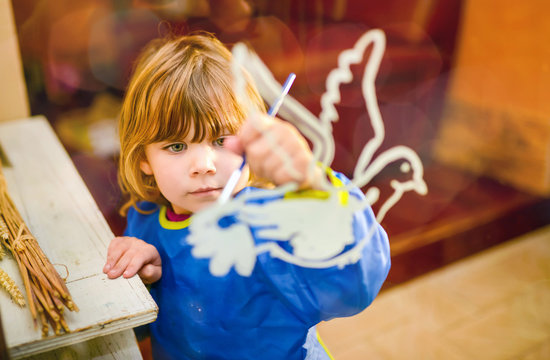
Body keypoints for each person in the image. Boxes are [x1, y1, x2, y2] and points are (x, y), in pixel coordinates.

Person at [103, 32, 390, 360]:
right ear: (143, 159)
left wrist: (315, 188)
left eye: (222, 139)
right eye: (177, 146)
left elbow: (356, 287)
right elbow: (130, 329)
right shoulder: (143, 221)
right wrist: (142, 282)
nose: (203, 165)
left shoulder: (273, 226)